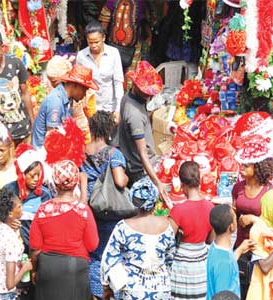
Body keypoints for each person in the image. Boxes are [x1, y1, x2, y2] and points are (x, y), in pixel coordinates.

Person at [29, 160, 99, 300]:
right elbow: (93, 245)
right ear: (75, 182)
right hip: (75, 269)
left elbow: (35, 247)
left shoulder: (43, 210)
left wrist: (34, 270)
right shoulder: (83, 210)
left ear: (54, 183)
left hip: (48, 268)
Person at [101, 177, 176, 299]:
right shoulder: (167, 226)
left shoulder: (123, 227)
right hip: (161, 289)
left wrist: (107, 287)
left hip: (132, 290)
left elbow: (109, 258)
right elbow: (170, 259)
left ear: (133, 200)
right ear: (155, 200)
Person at [80, 110, 128, 299]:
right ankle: (113, 293)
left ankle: (96, 293)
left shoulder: (82, 151)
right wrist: (125, 177)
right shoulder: (113, 153)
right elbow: (119, 181)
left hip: (90, 208)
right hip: (110, 210)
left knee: (94, 253)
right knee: (113, 254)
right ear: (109, 130)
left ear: (91, 129)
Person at [232, 140, 273, 299]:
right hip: (241, 249)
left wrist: (254, 219)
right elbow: (234, 216)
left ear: (257, 167)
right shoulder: (237, 188)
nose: (241, 167)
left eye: (246, 165)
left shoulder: (270, 192)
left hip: (262, 253)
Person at [169, 161, 215, 300]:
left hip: (181, 267)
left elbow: (168, 239)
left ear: (182, 184)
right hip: (201, 266)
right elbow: (211, 239)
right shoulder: (210, 207)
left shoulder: (178, 211)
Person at [116, 60, 164, 192]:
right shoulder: (134, 115)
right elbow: (143, 154)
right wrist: (157, 182)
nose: (149, 96)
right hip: (140, 170)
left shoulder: (128, 97)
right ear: (136, 86)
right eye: (146, 92)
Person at [31, 64, 99, 148]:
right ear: (76, 86)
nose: (85, 94)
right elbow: (52, 139)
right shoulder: (55, 101)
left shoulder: (67, 100)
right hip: (44, 153)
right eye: (84, 90)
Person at [5, 145, 52, 252]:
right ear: (22, 174)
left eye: (38, 175)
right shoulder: (8, 190)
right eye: (32, 175)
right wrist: (8, 221)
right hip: (11, 249)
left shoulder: (44, 195)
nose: (36, 179)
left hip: (34, 250)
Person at [76, 20, 124, 124]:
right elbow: (79, 85)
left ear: (103, 38)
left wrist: (118, 109)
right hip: (90, 108)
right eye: (90, 42)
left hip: (110, 108)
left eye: (96, 42)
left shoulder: (113, 53)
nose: (93, 45)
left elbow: (118, 82)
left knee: (112, 138)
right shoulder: (81, 56)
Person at [207, 204, 256, 299]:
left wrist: (240, 250)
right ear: (231, 227)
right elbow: (222, 297)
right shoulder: (224, 263)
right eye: (235, 218)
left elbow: (228, 260)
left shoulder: (215, 247)